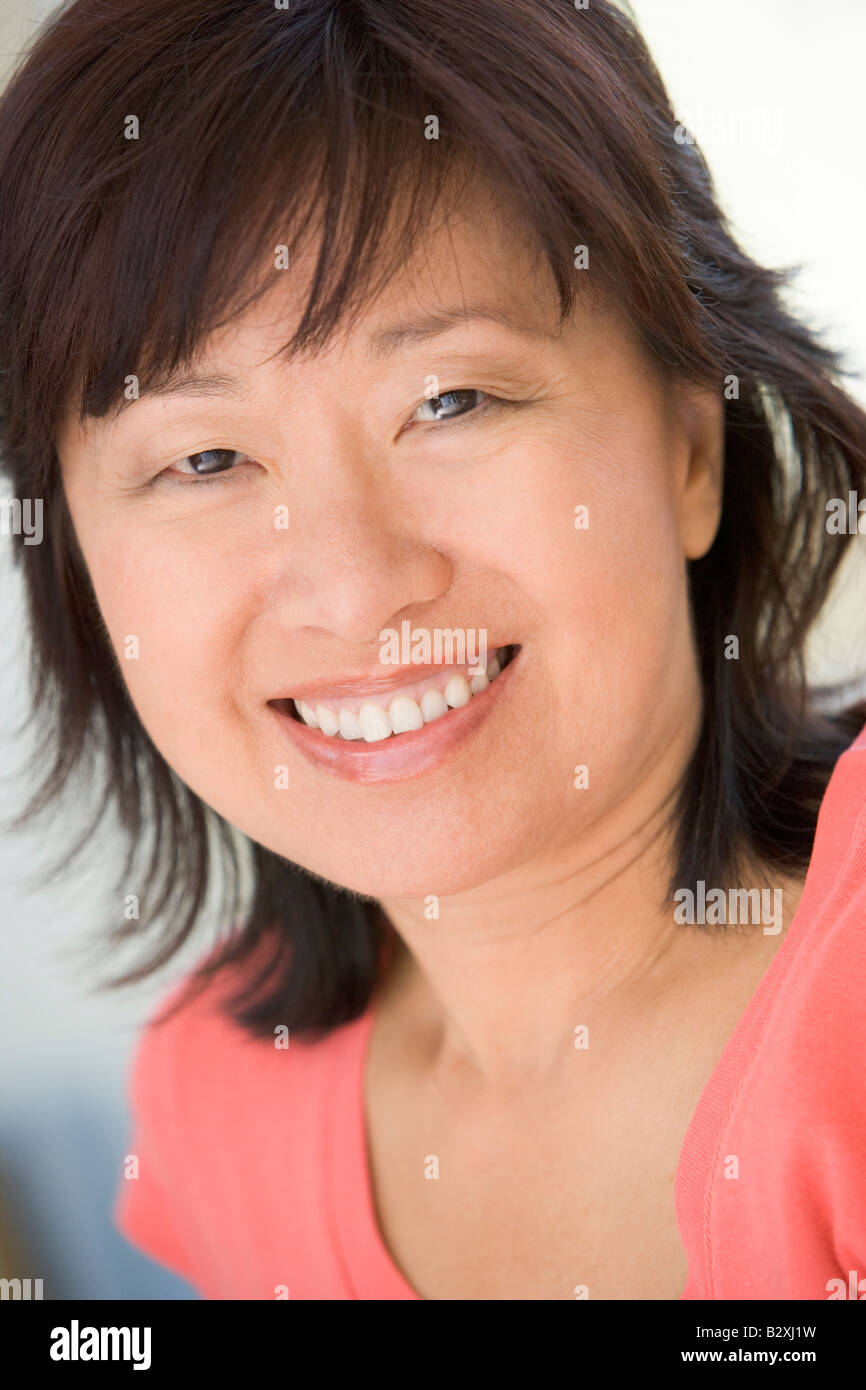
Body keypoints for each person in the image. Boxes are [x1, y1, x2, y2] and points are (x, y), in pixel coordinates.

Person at [1, 0, 864, 1300]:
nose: (352, 587)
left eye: (450, 400)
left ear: (690, 448)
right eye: (205, 457)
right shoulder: (213, 1103)